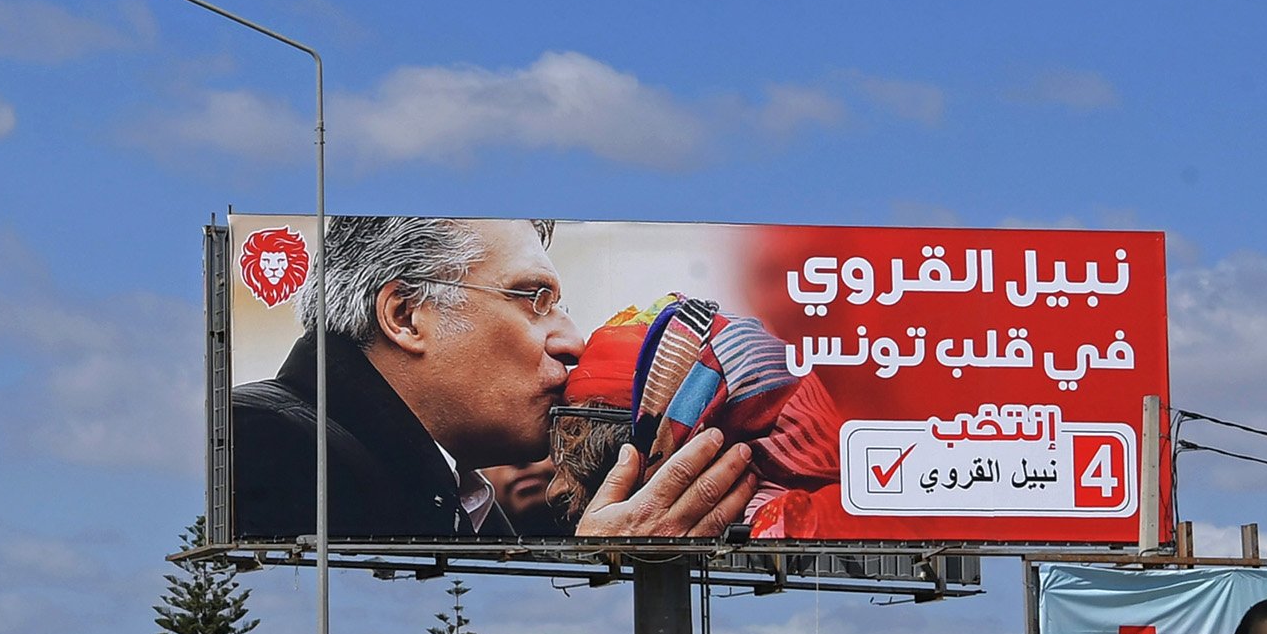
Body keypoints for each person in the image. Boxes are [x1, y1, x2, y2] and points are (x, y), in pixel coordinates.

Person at [230, 216, 754, 542]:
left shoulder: (455, 494)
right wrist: (601, 566)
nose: (573, 341)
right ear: (407, 315)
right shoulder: (268, 443)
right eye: (534, 300)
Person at [544, 293, 835, 537]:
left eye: (583, 473)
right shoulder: (856, 502)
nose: (555, 489)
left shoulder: (814, 529)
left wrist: (607, 564)